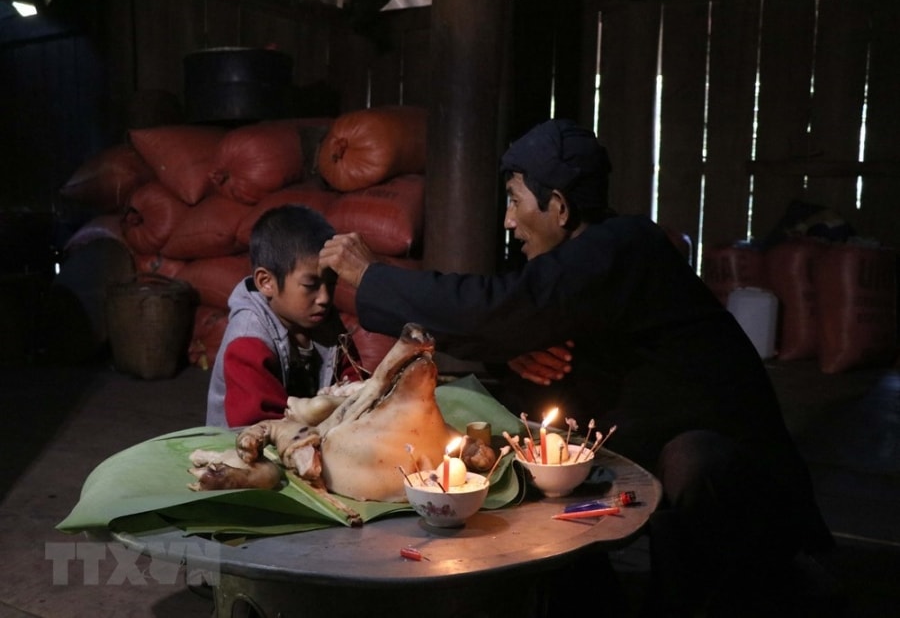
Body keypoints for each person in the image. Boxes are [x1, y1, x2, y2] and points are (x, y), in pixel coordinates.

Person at [319, 119, 835, 616]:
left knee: (699, 463)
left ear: (559, 207)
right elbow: (513, 319)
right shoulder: (585, 265)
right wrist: (514, 347)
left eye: (515, 201)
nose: (508, 220)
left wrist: (372, 277)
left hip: (747, 497)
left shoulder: (621, 248)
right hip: (657, 443)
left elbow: (496, 308)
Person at [206, 204, 362, 428]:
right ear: (266, 282)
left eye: (331, 284)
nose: (325, 298)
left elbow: (353, 378)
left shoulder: (323, 320)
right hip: (250, 450)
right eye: (310, 285)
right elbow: (259, 427)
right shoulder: (247, 342)